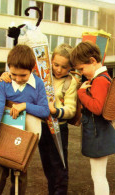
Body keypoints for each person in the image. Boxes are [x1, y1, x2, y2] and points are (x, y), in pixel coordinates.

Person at [0, 43, 78, 195]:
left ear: (70, 67)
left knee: (59, 167)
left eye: (64, 67)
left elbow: (71, 110)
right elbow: (21, 72)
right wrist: (6, 75)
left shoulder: (70, 82)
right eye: (56, 65)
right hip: (41, 125)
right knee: (47, 166)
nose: (59, 69)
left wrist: (56, 111)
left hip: (58, 128)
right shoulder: (41, 75)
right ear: (50, 61)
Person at [0, 44, 50, 195]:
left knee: (20, 171)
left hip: (25, 136)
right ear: (9, 68)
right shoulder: (4, 82)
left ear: (32, 68)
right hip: (3, 133)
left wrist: (24, 106)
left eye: (23, 76)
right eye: (14, 74)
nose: (18, 79)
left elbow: (45, 111)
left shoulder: (38, 84)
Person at [70, 40, 115, 195]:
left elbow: (97, 108)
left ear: (93, 61)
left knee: (98, 175)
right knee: (98, 174)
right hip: (99, 133)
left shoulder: (100, 80)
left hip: (98, 135)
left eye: (81, 68)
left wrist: (81, 93)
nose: (81, 72)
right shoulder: (101, 78)